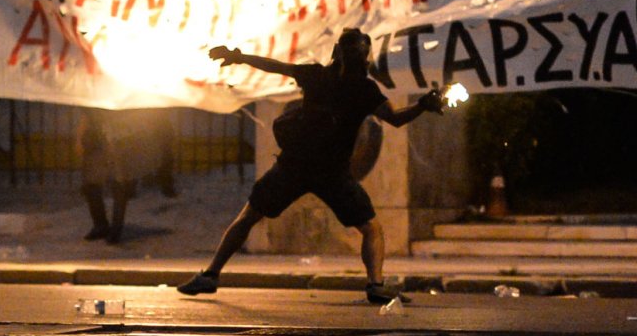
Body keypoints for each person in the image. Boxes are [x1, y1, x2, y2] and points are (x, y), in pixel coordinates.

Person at [176, 28, 446, 304]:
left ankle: (210, 275)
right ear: (362, 58)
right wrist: (423, 104)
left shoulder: (318, 76)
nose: (363, 59)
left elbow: (275, 66)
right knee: (371, 228)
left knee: (248, 217)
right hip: (331, 173)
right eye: (363, 54)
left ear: (337, 52)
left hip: (294, 167)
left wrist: (238, 57)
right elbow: (396, 118)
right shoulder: (363, 89)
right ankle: (375, 284)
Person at [76, 108, 177, 243]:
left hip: (117, 134)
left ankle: (115, 228)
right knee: (91, 182)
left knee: (118, 182)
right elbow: (86, 114)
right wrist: (81, 135)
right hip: (98, 135)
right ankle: (101, 225)